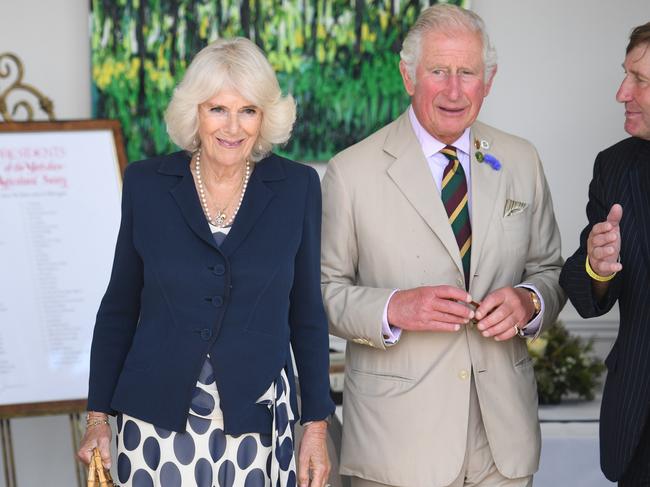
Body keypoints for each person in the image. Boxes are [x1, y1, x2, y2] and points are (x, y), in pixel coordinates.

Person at [320, 4, 566, 487]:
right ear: (408, 76)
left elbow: (551, 270)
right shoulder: (351, 171)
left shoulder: (522, 159)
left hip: (503, 444)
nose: (454, 90)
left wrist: (529, 301)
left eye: (467, 73)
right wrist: (394, 307)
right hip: (397, 446)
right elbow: (322, 292)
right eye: (438, 71)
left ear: (488, 80)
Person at [76, 37, 335, 487]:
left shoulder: (298, 187)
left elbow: (307, 313)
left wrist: (316, 425)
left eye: (248, 110)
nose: (232, 126)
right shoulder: (146, 184)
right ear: (194, 111)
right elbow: (119, 305)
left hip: (256, 418)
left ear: (265, 116)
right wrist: (98, 418)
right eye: (218, 108)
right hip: (155, 419)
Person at [560, 22, 650, 487]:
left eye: (641, 80)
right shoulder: (614, 166)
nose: (621, 93)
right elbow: (583, 288)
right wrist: (596, 264)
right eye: (626, 75)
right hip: (640, 432)